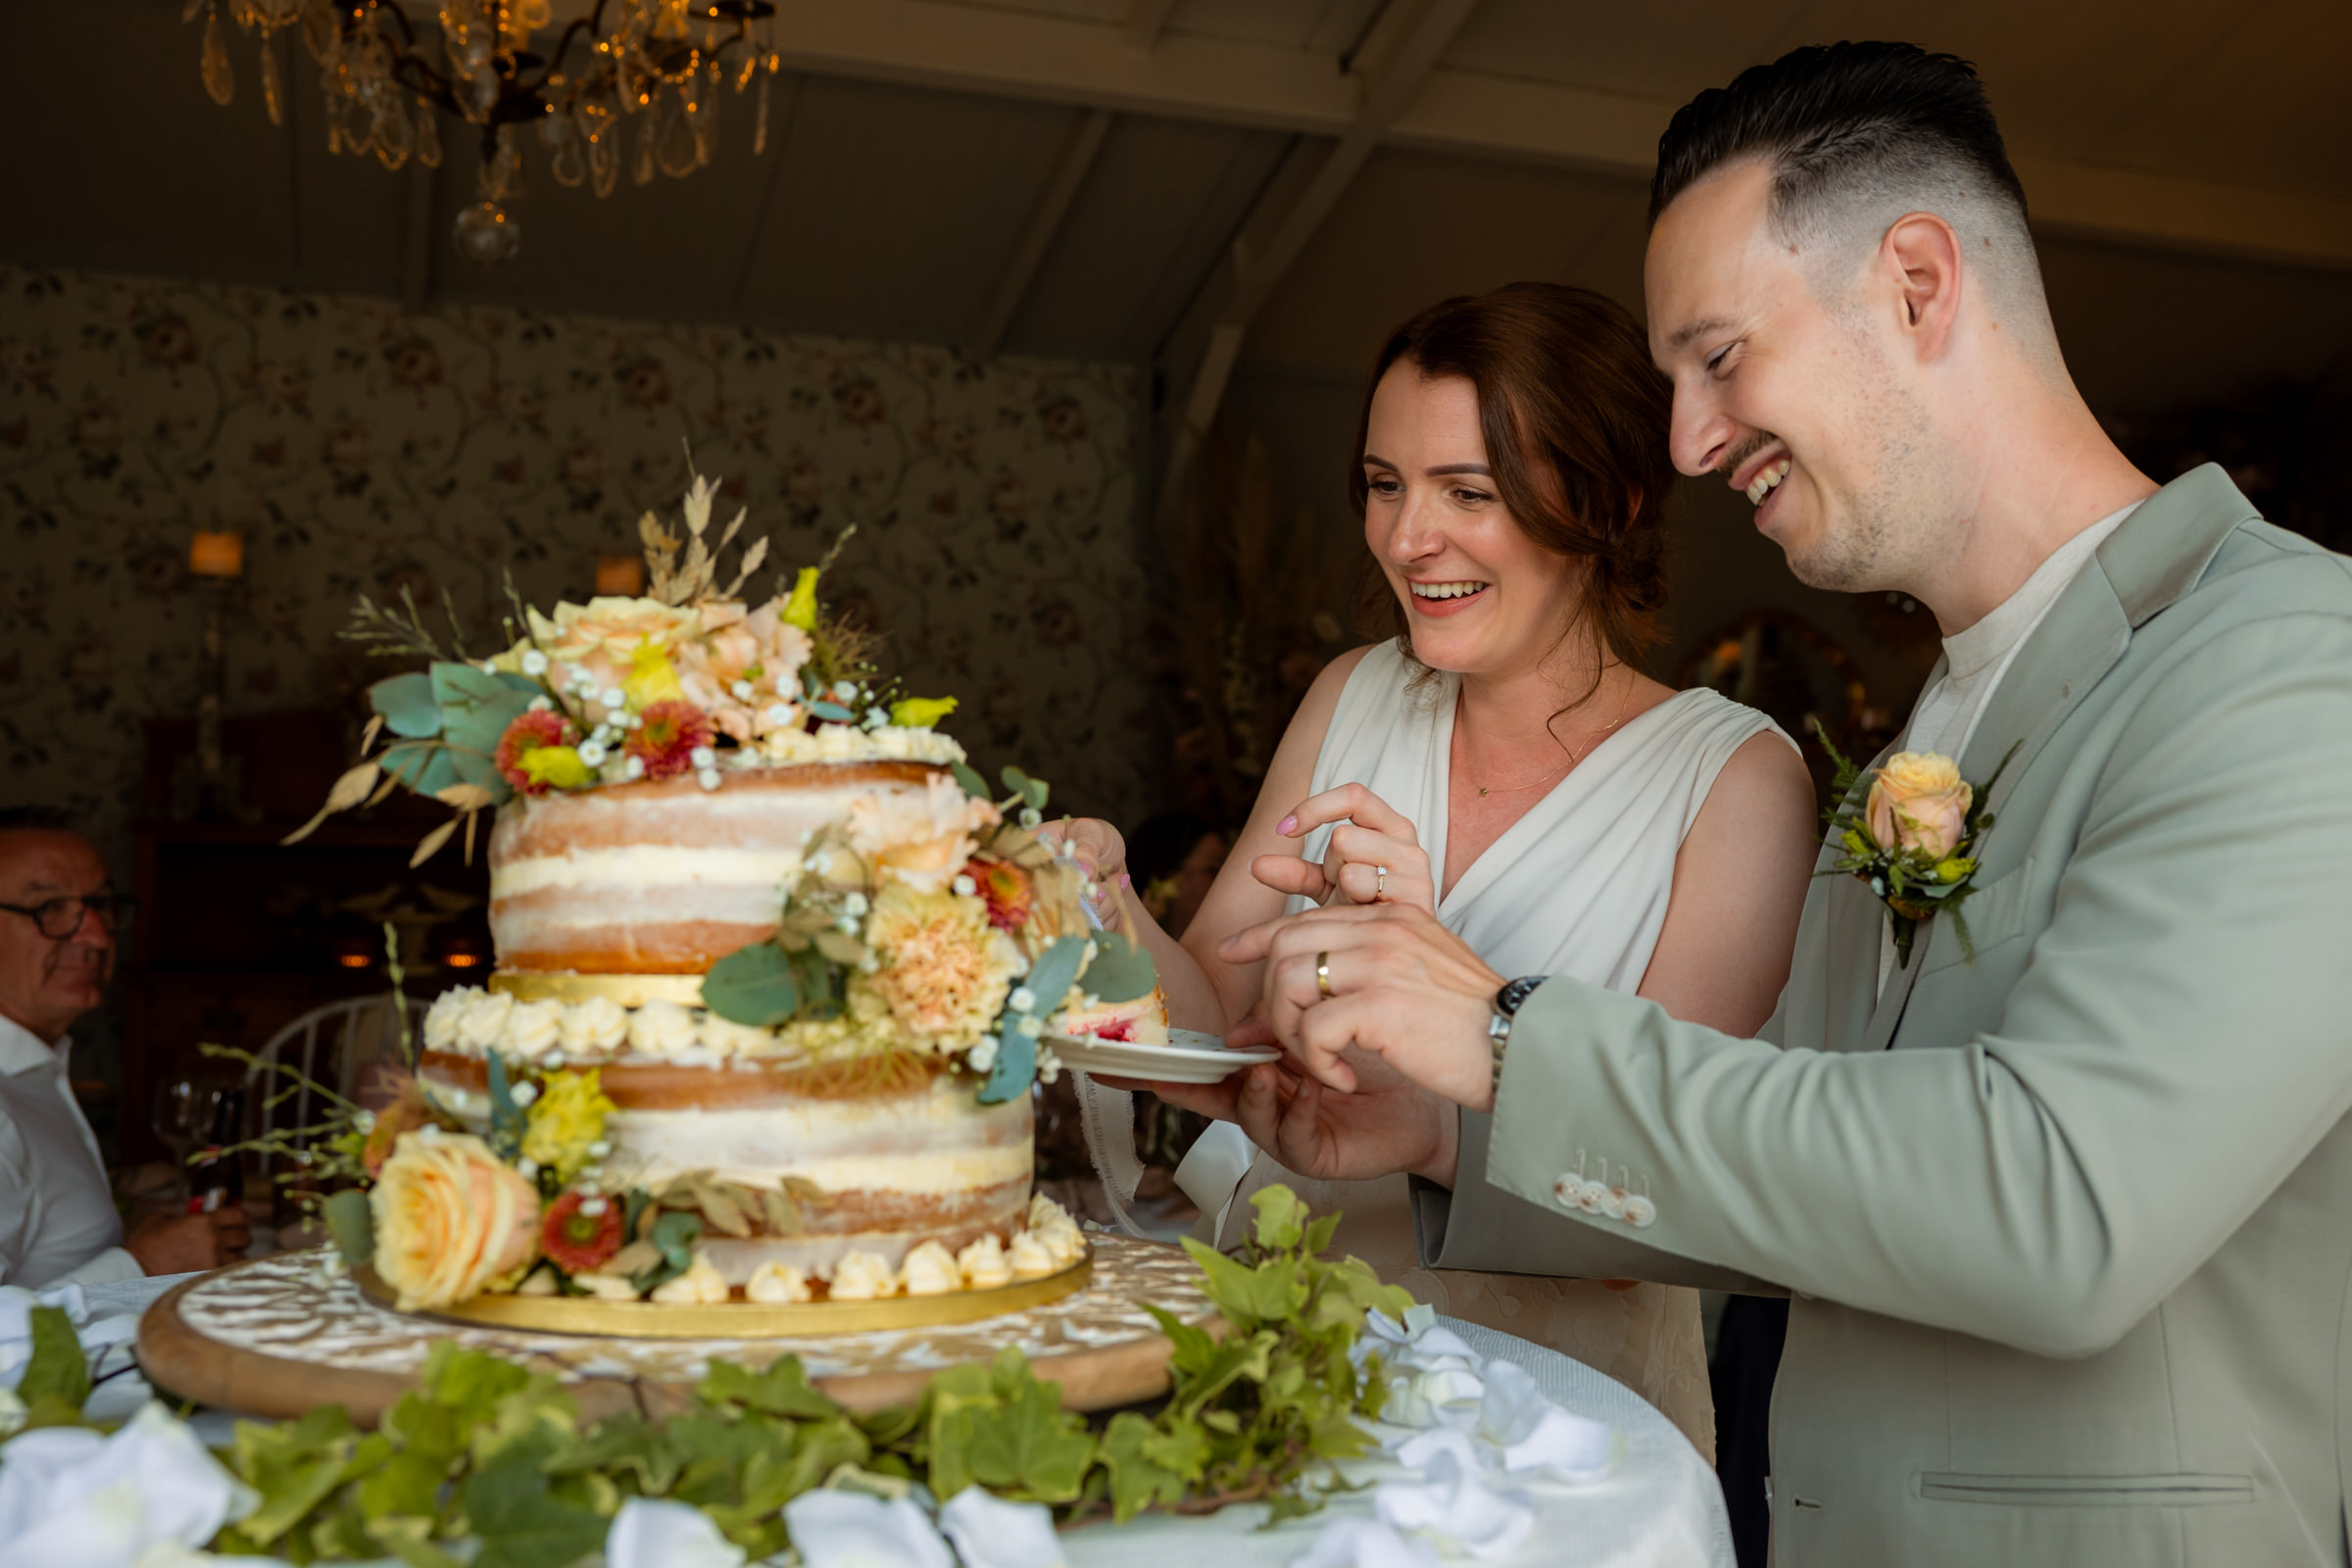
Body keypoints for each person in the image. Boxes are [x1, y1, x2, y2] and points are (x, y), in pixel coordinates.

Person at [1223, 42, 2352, 1568]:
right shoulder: (1911, 749)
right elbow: (1792, 1180)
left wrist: (1506, 1031)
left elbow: (2062, 1206)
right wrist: (1441, 1127)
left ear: (1916, 283)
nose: (1686, 441)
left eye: (1719, 358)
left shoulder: (2287, 658)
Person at [1050, 282, 1818, 1454]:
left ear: (1606, 501)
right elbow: (1206, 1021)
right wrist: (1104, 902)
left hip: (1556, 1418)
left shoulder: (1737, 781)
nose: (1409, 539)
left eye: (1470, 491)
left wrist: (1432, 990)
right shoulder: (1355, 693)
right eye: (1384, 483)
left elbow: (1679, 1178)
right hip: (1281, 1354)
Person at [0, 808, 249, 1285]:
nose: (96, 936)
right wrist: (141, 1266)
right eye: (49, 908)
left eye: (101, 905)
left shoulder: (34, 1074)